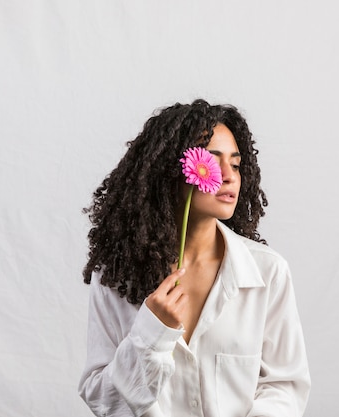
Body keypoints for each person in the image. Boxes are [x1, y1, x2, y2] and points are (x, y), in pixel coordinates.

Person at [78, 99, 310, 417]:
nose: (229, 176)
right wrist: (151, 333)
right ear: (171, 170)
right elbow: (104, 401)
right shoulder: (116, 276)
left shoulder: (268, 272)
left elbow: (285, 388)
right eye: (212, 162)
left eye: (237, 164)